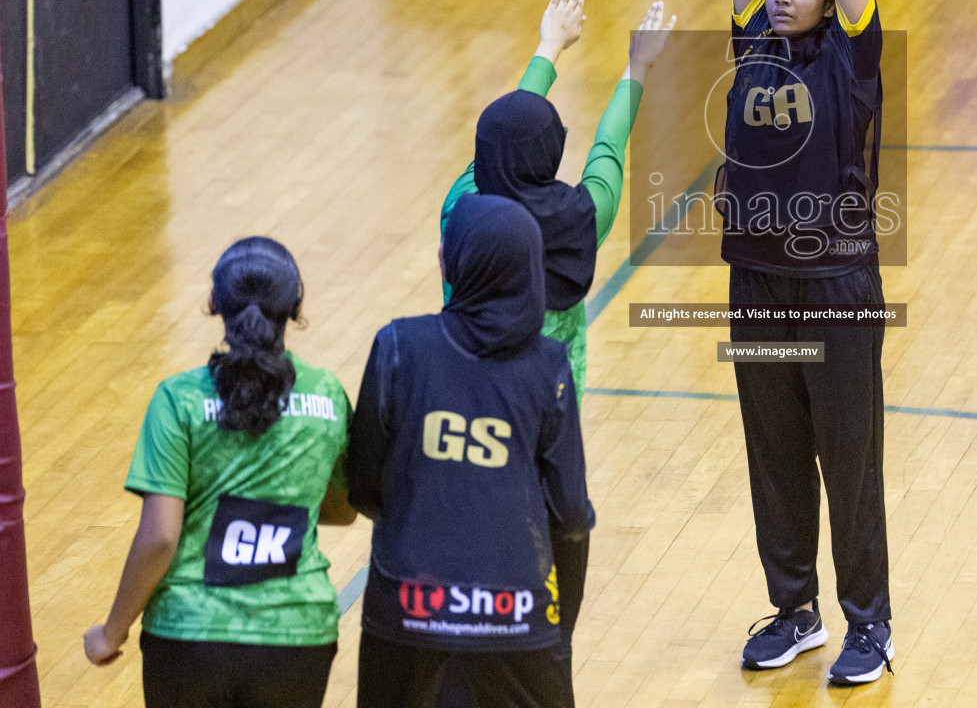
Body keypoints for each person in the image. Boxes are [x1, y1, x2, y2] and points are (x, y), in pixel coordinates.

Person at [716, 0, 893, 686]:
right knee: (775, 455)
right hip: (758, 276)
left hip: (836, 281)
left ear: (831, 2)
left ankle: (871, 624)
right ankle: (795, 611)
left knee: (848, 459)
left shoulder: (850, 57)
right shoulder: (752, 43)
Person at [83, 238, 355, 708]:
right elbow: (342, 509)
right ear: (297, 307)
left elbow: (161, 537)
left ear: (213, 304)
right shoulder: (328, 395)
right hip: (297, 635)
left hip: (189, 637)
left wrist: (112, 631)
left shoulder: (178, 400)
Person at [349, 194, 594, 708]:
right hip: (519, 616)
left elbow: (364, 487)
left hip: (407, 613)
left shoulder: (398, 347)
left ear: (459, 262)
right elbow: (570, 513)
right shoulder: (550, 366)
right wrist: (556, 632)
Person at [441, 0, 675, 403]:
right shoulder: (584, 215)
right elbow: (610, 144)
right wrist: (637, 65)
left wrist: (550, 44)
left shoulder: (461, 204)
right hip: (550, 405)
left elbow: (502, 137)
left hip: (466, 396)